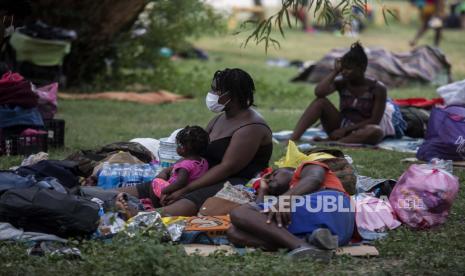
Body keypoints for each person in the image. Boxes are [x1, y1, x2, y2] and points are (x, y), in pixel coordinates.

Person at [120, 68, 273, 216]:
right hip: (201, 175)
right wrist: (170, 171)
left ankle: (141, 215)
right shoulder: (220, 118)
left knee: (180, 205)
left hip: (233, 183)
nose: (211, 95)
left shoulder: (251, 127)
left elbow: (227, 168)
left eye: (216, 90)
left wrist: (185, 189)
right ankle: (109, 200)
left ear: (231, 95)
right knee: (133, 192)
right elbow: (196, 151)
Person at [227, 160, 354, 260]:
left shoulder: (305, 168)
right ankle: (312, 244)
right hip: (340, 232)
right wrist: (264, 191)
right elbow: (254, 221)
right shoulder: (290, 201)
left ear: (292, 170)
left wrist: (285, 199)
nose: (270, 179)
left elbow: (314, 179)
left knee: (240, 212)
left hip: (332, 202)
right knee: (235, 233)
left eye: (275, 173)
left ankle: (301, 246)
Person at [290, 42, 391, 145]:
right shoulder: (342, 82)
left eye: (348, 69)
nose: (344, 72)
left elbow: (374, 120)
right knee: (320, 102)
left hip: (362, 129)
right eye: (343, 68)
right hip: (339, 127)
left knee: (376, 131)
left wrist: (346, 130)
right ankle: (292, 139)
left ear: (362, 68)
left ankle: (335, 143)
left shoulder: (378, 88)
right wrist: (335, 72)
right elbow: (319, 92)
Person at [150, 125, 209, 207]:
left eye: (177, 145)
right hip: (192, 192)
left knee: (155, 182)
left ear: (182, 148)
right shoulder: (203, 161)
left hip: (175, 191)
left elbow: (181, 182)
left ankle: (155, 206)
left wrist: (165, 190)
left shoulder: (184, 165)